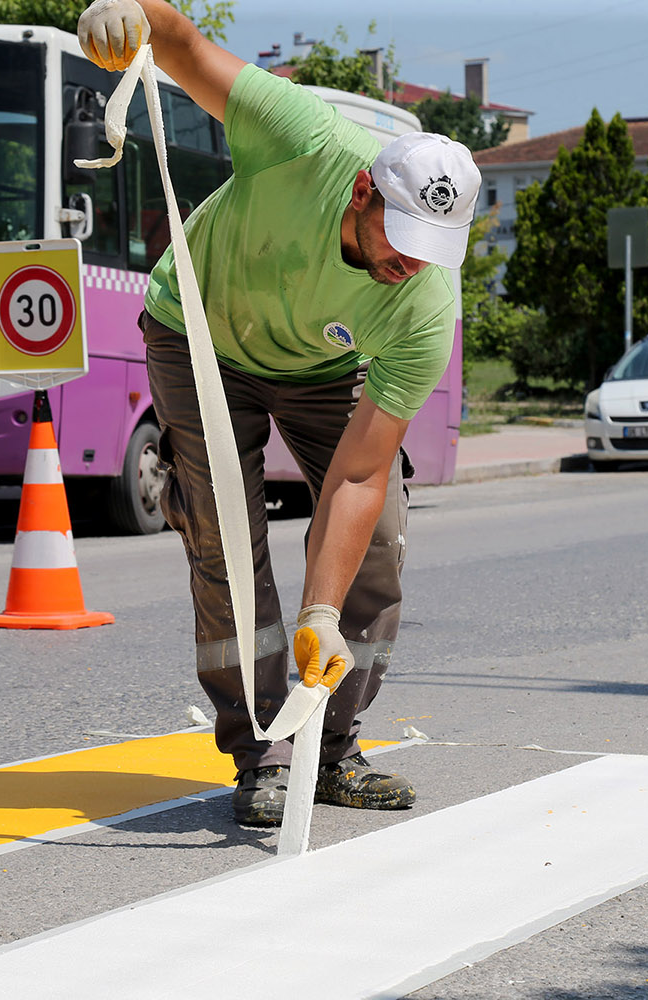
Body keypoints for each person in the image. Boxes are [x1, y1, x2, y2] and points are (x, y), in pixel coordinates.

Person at [78, 0, 480, 826]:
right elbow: (180, 43)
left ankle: (330, 748)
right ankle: (260, 749)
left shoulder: (424, 307)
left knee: (379, 543)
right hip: (197, 335)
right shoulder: (304, 137)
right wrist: (129, 14)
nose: (408, 266)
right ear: (364, 189)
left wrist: (321, 612)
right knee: (225, 538)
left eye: (428, 253)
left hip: (318, 364)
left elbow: (361, 474)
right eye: (397, 241)